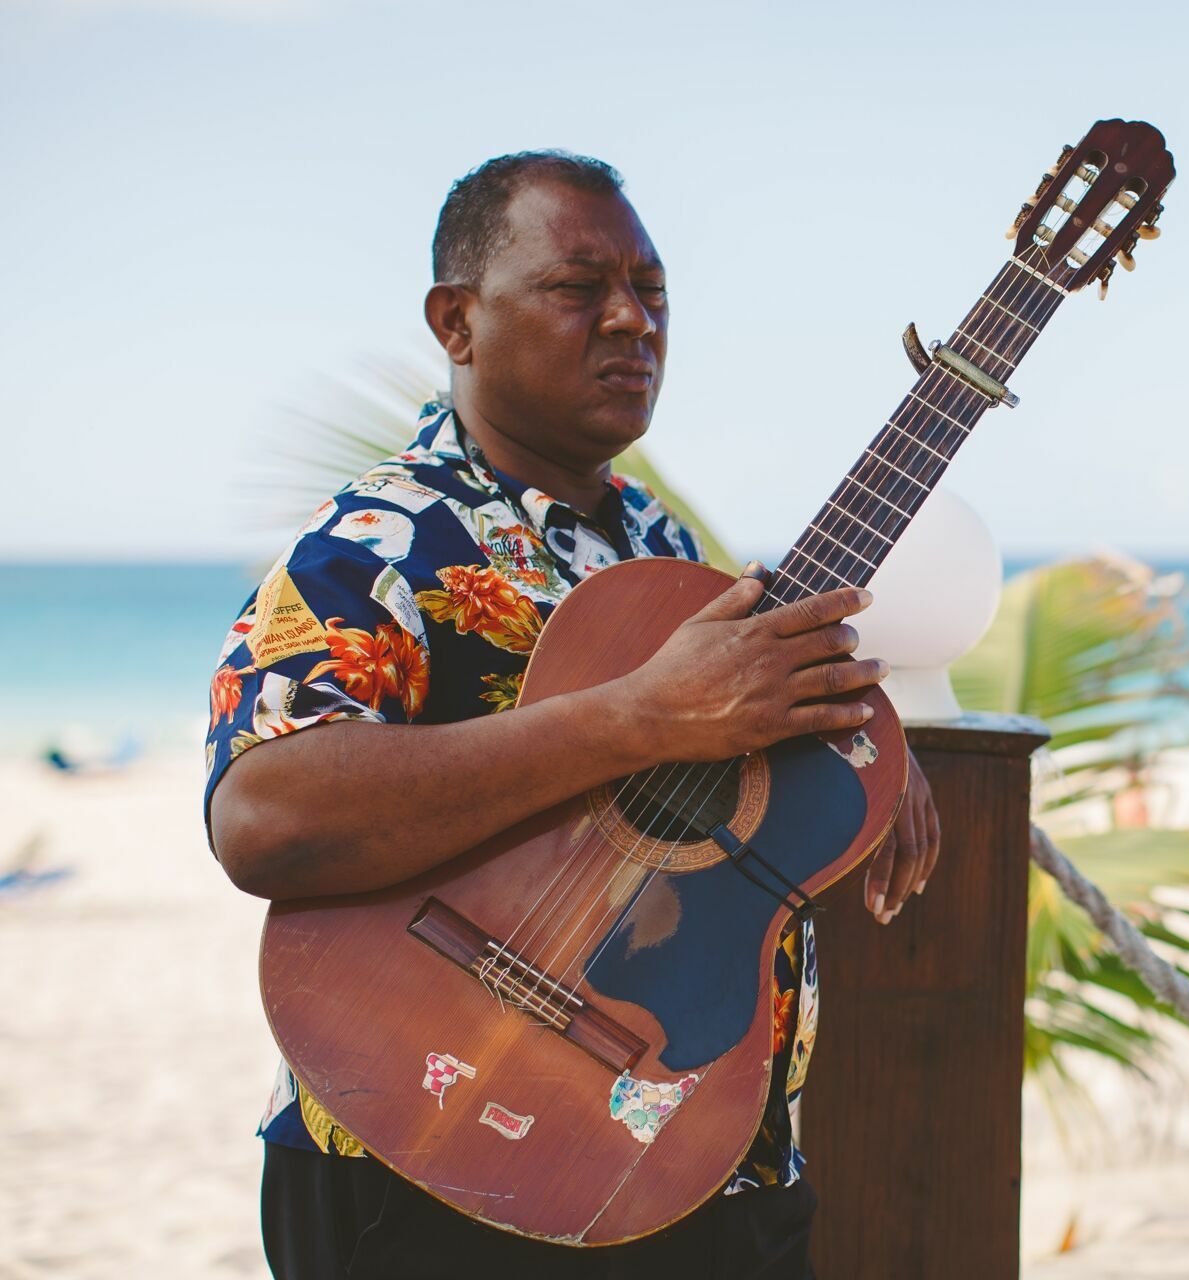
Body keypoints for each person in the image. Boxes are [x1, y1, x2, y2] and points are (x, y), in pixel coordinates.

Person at [204, 150, 942, 1279]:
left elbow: (711, 766)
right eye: (577, 287)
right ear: (458, 322)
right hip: (431, 1159)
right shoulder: (377, 544)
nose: (629, 320)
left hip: (701, 1161)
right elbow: (264, 817)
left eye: (651, 291)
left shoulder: (660, 544)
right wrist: (634, 716)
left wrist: (851, 746)